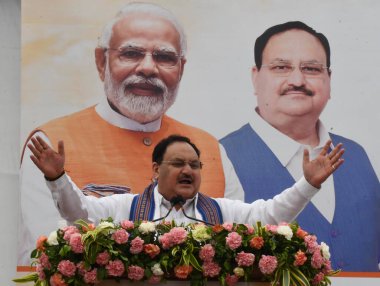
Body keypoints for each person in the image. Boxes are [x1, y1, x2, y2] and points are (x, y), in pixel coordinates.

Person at [18, 2, 243, 266]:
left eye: (164, 57)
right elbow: (49, 256)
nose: (148, 68)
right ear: (102, 62)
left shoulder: (209, 148)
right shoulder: (51, 144)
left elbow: (238, 250)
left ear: (180, 69)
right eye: (132, 53)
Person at [220, 21, 380, 271]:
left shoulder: (356, 154)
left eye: (311, 69)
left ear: (329, 79)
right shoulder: (223, 155)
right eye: (281, 67)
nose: (297, 79)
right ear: (255, 77)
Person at [27, 134, 343, 228]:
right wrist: (57, 177)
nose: (188, 170)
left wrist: (308, 183)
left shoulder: (221, 212)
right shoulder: (126, 207)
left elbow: (271, 215)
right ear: (155, 170)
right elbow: (78, 214)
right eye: (178, 164)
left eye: (194, 164)